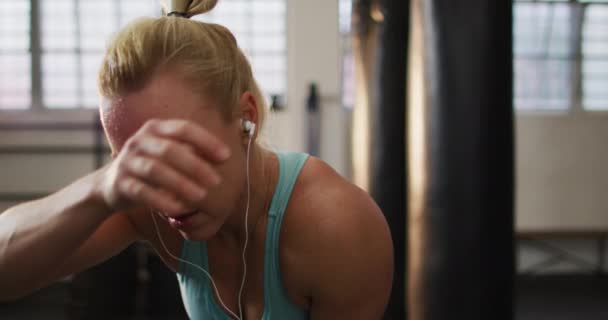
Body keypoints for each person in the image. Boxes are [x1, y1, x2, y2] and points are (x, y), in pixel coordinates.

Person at [0, 0, 394, 319]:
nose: (165, 198)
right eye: (142, 161)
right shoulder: (146, 207)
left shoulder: (337, 226)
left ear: (247, 118)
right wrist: (102, 188)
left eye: (182, 155)